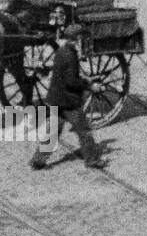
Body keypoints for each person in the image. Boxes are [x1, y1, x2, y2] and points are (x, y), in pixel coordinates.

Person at [31, 22, 104, 170]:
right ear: (76, 39)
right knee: (84, 131)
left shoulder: (61, 51)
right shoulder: (71, 56)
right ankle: (92, 160)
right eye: (80, 38)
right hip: (69, 102)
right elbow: (71, 82)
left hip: (55, 99)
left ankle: (38, 160)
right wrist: (90, 85)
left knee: (53, 133)